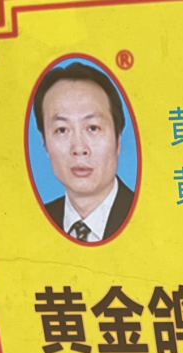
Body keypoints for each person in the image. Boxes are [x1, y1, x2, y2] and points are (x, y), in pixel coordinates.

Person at [32, 62, 133, 243]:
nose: (79, 148)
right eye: (62, 130)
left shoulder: (149, 215)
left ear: (118, 139)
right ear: (45, 143)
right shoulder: (33, 224)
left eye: (93, 128)